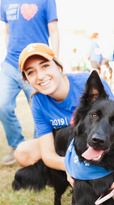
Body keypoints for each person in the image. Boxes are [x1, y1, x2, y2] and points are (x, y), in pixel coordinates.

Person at [15, 43, 114, 198]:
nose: (40, 76)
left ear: (58, 66)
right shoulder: (38, 101)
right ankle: (68, 183)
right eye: (31, 72)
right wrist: (73, 168)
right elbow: (48, 154)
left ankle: (107, 194)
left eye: (45, 66)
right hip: (66, 145)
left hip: (105, 142)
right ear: (27, 80)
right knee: (23, 153)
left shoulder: (89, 85)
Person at [0, 0, 59, 165]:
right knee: (2, 104)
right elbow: (7, 32)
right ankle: (16, 145)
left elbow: (54, 31)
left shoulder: (46, 1)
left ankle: (38, 152)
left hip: (36, 65)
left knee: (38, 109)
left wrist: (54, 61)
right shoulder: (5, 2)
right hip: (11, 64)